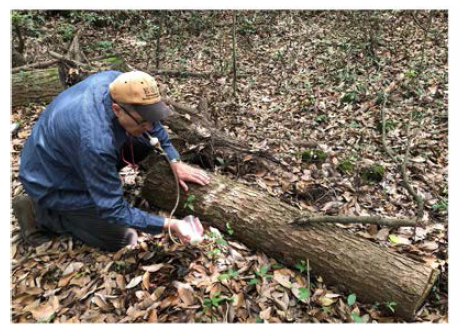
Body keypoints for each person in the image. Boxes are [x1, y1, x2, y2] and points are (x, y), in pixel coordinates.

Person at [13, 70, 210, 251]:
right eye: (143, 121)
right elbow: (113, 210)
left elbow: (153, 125)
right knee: (124, 238)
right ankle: (38, 212)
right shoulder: (96, 142)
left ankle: (96, 183)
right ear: (117, 109)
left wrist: (174, 160)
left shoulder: (122, 84)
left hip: (66, 152)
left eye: (153, 117)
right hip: (51, 179)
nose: (150, 126)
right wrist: (170, 224)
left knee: (142, 142)